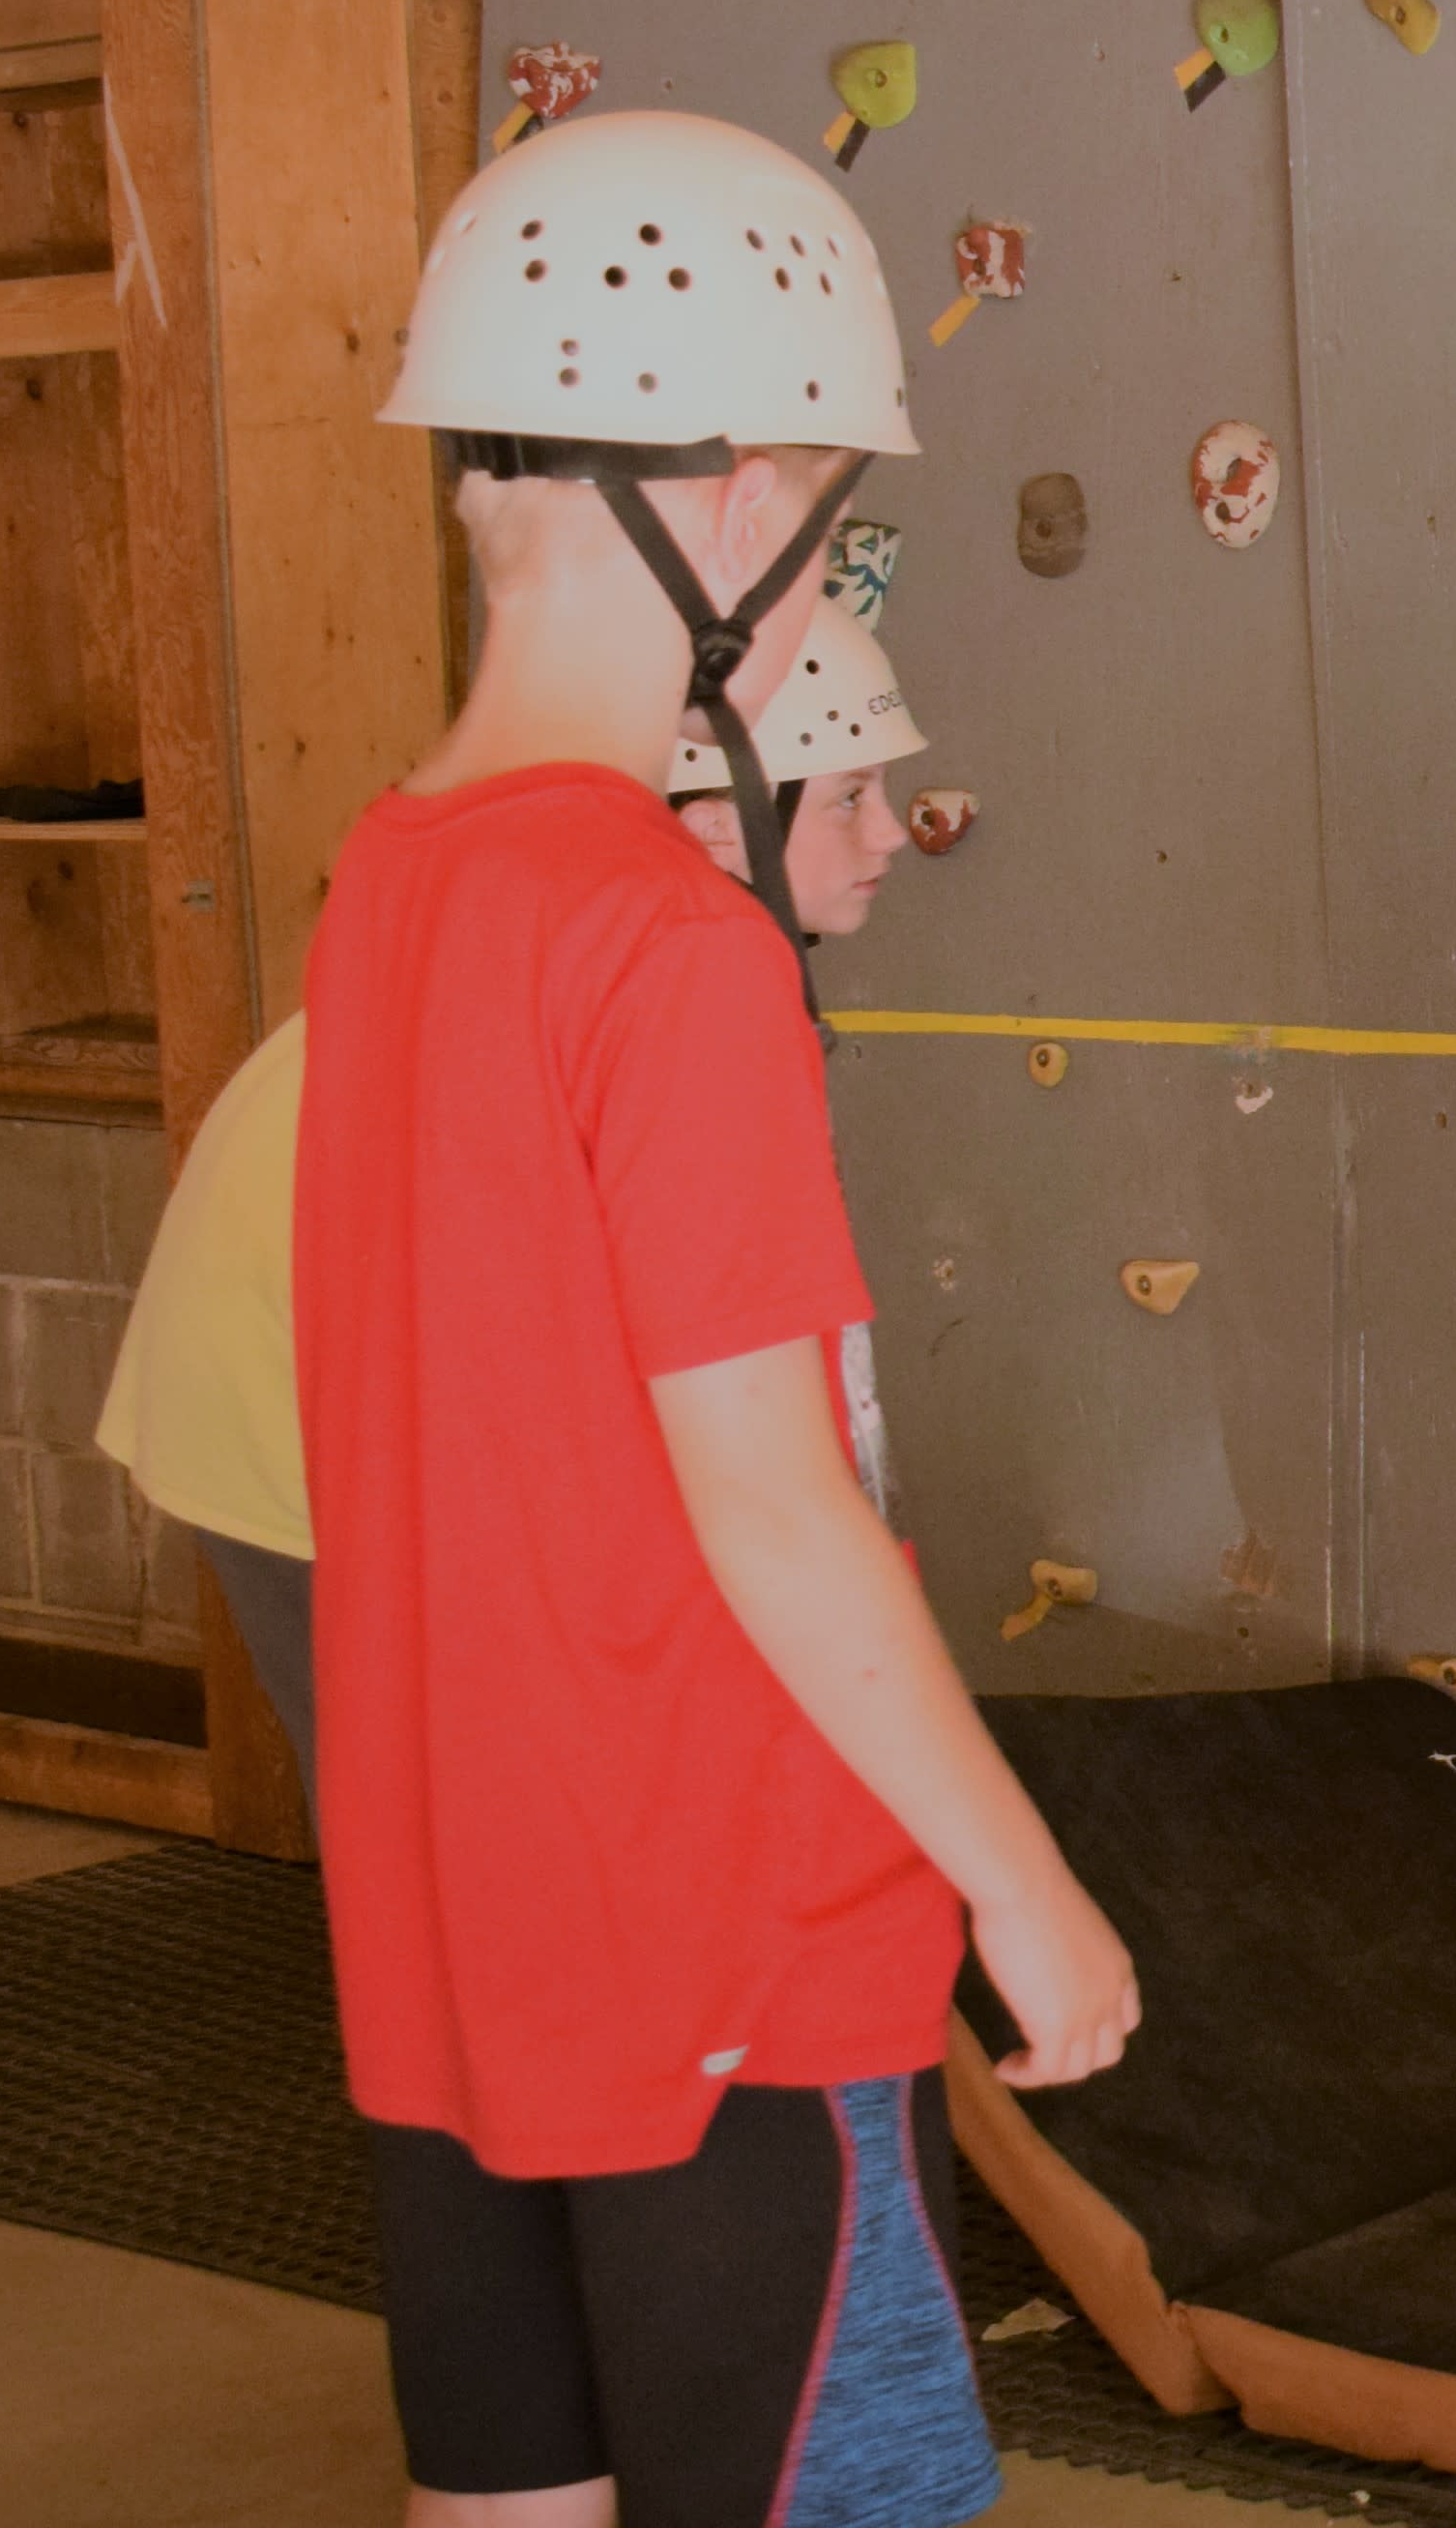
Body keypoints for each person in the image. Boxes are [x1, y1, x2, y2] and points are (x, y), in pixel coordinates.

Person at [300, 105, 1133, 2528]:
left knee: (503, 2521)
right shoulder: (669, 950)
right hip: (725, 1958)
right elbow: (772, 1504)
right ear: (747, 486)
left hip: (455, 1933)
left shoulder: (389, 890)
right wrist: (1021, 1888)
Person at [103, 592, 936, 1781]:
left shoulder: (627, 924)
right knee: (437, 1824)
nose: (893, 832)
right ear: (712, 828)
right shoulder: (657, 977)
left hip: (363, 1346)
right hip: (282, 1400)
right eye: (853, 796)